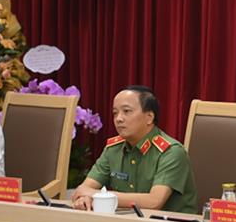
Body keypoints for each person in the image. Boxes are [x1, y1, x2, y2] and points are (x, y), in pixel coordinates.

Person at [72, 85, 198, 213]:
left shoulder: (171, 152)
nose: (118, 119)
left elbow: (154, 202)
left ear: (149, 117)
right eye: (115, 113)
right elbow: (84, 189)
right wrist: (84, 198)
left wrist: (97, 195)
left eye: (126, 111)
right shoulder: (113, 149)